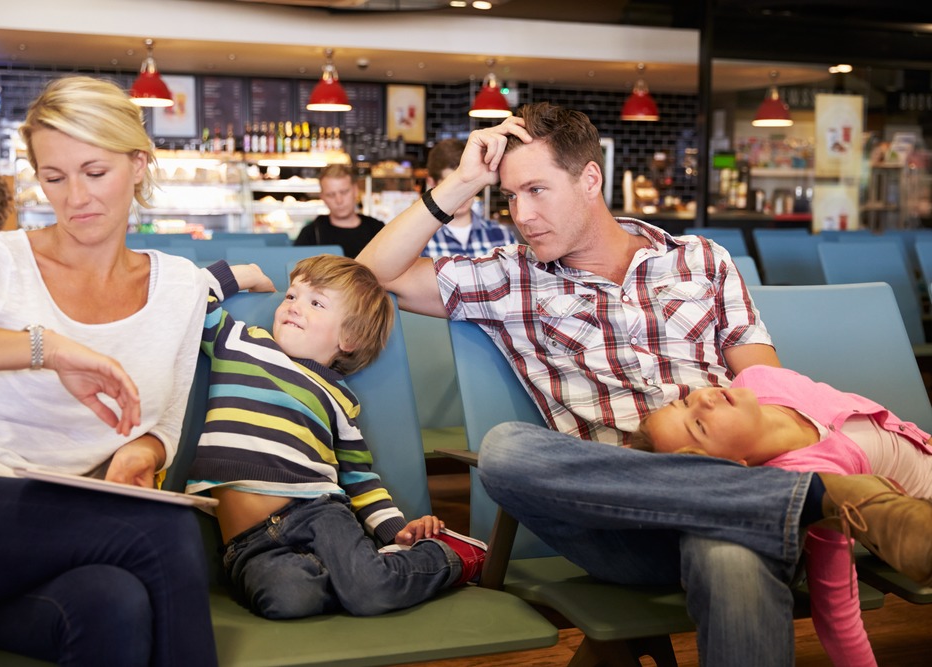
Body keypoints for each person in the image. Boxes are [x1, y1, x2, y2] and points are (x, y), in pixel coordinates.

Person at [357, 101, 932, 665]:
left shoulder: (702, 261)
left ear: (589, 179)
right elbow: (368, 277)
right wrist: (458, 184)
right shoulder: (510, 276)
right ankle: (818, 501)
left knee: (730, 549)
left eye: (536, 190)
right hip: (620, 518)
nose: (522, 214)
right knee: (507, 450)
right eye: (509, 197)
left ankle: (783, 499)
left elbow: (767, 389)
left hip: (735, 488)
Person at [0, 76, 217, 666]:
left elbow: (161, 422)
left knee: (110, 604)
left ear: (138, 164)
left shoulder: (182, 287)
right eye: (55, 177)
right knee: (162, 533)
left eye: (95, 171)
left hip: (41, 537)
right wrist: (47, 349)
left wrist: (142, 454)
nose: (75, 197)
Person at [186, 254, 486, 619]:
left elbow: (361, 481)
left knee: (369, 594)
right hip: (250, 542)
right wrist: (243, 274)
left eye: (316, 303)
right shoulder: (239, 342)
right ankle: (361, 572)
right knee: (289, 601)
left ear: (350, 337)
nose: (294, 306)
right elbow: (188, 298)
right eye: (292, 296)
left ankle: (447, 557)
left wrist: (396, 534)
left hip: (317, 514)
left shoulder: (339, 399)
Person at [632, 364, 932, 667]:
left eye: (683, 401)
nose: (703, 400)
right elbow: (836, 612)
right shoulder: (804, 487)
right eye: (699, 426)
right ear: (734, 467)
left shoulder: (760, 377)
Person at [421, 138, 517, 259]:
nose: (462, 194)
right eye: (452, 185)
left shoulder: (503, 237)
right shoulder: (419, 241)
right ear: (432, 183)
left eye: (467, 183)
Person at [294, 164, 385, 258]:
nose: (339, 200)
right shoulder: (311, 234)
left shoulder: (377, 229)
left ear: (355, 190)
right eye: (331, 195)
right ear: (322, 197)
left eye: (344, 192)